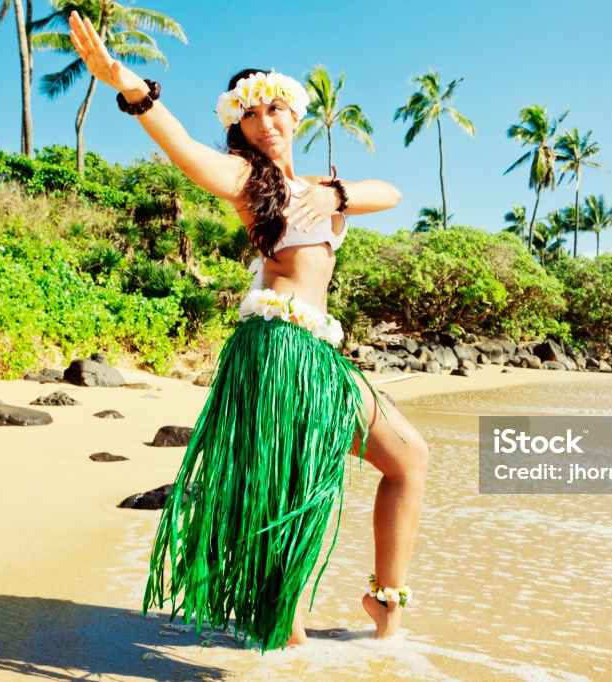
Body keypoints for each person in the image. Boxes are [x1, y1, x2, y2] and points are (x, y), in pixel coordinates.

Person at [68, 11, 429, 652]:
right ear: (239, 126)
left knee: (408, 458)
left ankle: (385, 605)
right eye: (250, 115)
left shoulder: (318, 187)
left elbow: (392, 191)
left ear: (295, 115)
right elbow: (180, 146)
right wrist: (126, 82)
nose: (265, 124)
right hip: (277, 352)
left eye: (274, 111)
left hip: (319, 353)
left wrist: (337, 194)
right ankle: (282, 637)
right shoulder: (246, 182)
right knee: (291, 487)